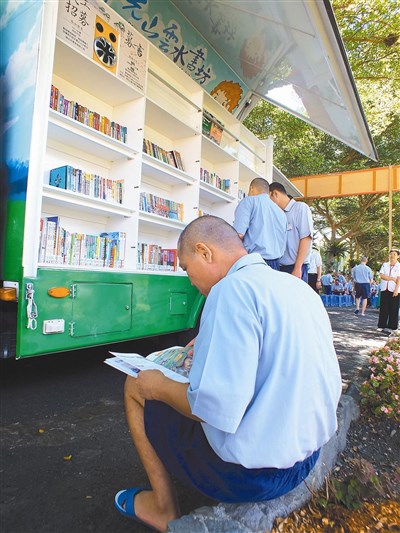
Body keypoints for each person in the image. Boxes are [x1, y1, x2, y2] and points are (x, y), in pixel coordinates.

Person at [114, 216, 342, 533]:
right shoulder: (296, 288)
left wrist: (158, 384)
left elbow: (214, 410)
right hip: (306, 461)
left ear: (204, 251)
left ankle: (162, 508)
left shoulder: (229, 291)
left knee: (137, 385)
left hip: (253, 477)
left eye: (186, 267)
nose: (190, 280)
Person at [233, 177, 287, 270]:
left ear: (251, 189)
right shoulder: (281, 212)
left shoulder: (249, 201)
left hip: (254, 262)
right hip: (275, 264)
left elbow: (239, 235)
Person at [269, 182, 313, 282]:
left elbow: (306, 238)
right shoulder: (278, 214)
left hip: (296, 267)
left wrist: (297, 268)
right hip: (280, 267)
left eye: (269, 199)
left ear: (275, 194)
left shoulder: (300, 208)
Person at [377, 248, 400, 334]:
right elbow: (382, 276)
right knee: (383, 308)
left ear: (398, 256)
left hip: (394, 290)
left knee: (394, 308)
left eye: (394, 254)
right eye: (391, 254)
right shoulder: (385, 265)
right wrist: (391, 278)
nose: (392, 256)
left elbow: (398, 279)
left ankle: (393, 327)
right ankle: (381, 325)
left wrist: (396, 290)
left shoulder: (399, 266)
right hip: (384, 288)